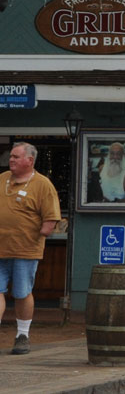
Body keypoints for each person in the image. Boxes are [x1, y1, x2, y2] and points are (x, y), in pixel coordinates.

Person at [0, 143, 61, 355]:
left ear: (30, 161)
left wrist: (41, 232)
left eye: (16, 157)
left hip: (25, 250)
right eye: (11, 157)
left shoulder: (43, 184)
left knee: (22, 292)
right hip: (0, 248)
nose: (12, 159)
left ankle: (22, 334)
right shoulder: (2, 179)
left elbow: (51, 218)